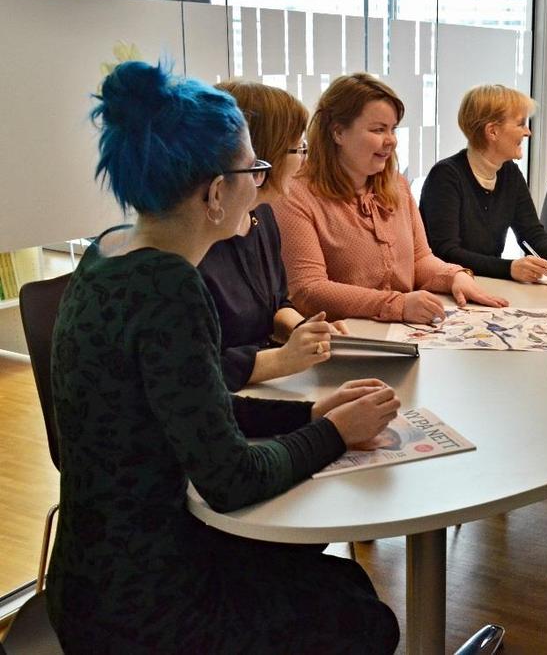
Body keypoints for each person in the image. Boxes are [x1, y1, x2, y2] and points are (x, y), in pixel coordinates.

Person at [48, 61, 401, 653]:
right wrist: (335, 432)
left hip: (94, 576)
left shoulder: (109, 255)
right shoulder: (170, 288)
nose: (263, 180)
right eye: (254, 169)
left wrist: (310, 416)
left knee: (343, 588)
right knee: (362, 618)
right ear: (216, 192)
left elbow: (196, 407)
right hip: (148, 605)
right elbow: (232, 479)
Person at [277, 73, 508, 324]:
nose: (392, 141)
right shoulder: (296, 194)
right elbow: (308, 290)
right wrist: (395, 305)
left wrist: (454, 277)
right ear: (338, 132)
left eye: (393, 129)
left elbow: (420, 260)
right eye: (378, 130)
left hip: (401, 334)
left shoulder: (396, 184)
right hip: (341, 341)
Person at [197, 81, 347, 391]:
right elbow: (194, 375)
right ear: (262, 154)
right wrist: (282, 359)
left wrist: (306, 330)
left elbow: (276, 301)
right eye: (298, 147)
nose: (304, 158)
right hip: (234, 401)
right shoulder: (195, 241)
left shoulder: (262, 214)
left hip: (266, 387)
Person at [419, 84, 547, 282]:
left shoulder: (509, 172)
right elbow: (446, 253)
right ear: (492, 131)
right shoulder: (445, 176)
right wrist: (509, 268)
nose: (527, 132)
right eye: (520, 124)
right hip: (449, 290)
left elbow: (531, 232)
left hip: (488, 285)